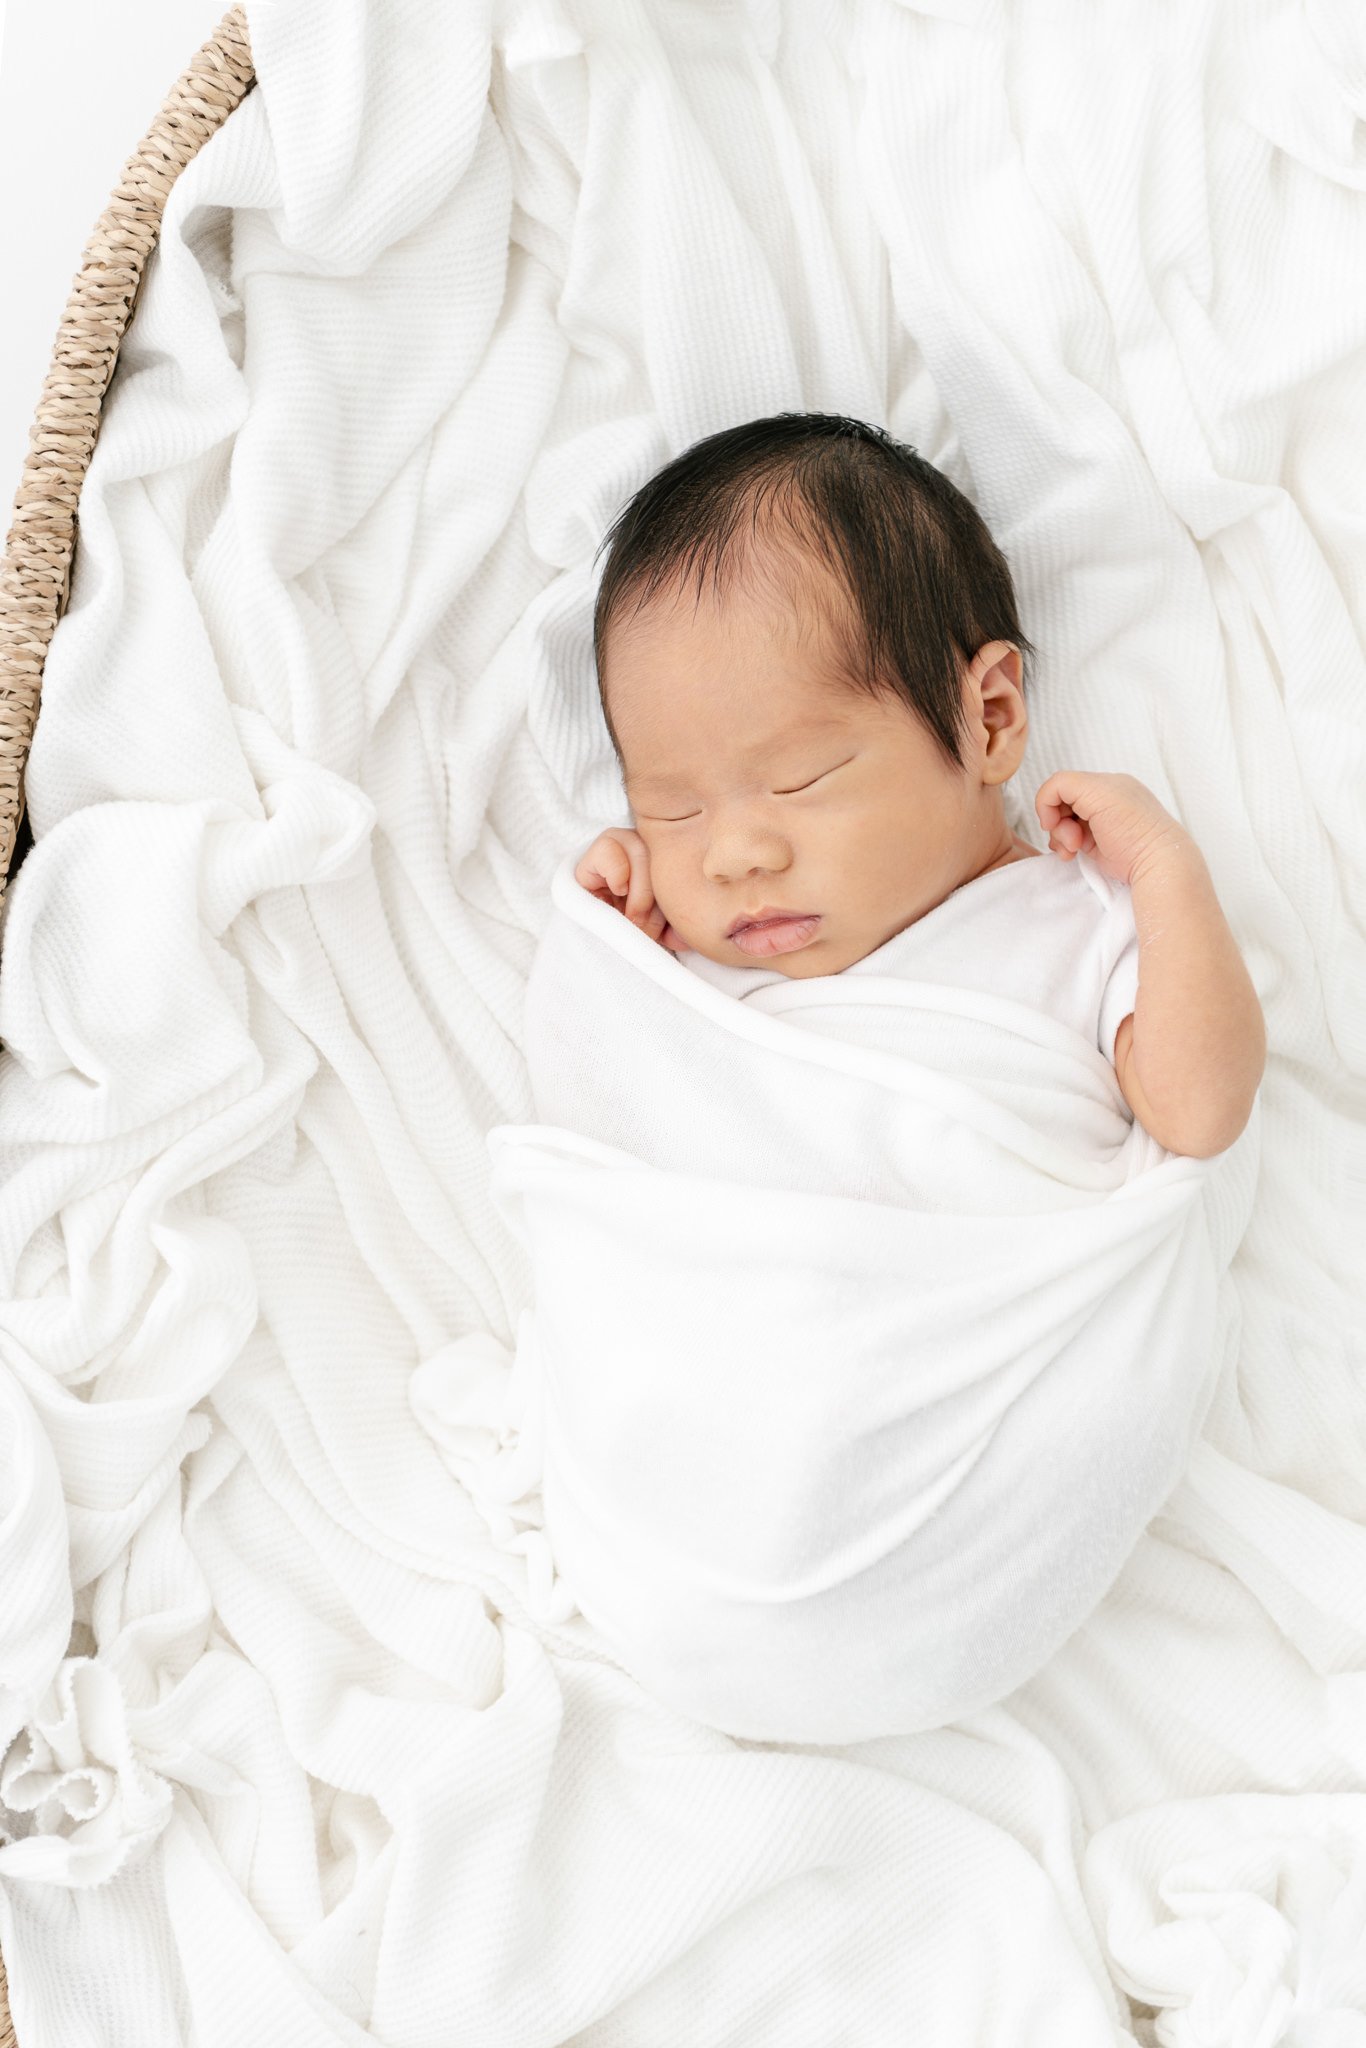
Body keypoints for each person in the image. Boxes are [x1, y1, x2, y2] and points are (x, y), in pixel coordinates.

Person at [575, 412, 1264, 1159]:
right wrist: (621, 950)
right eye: (673, 810)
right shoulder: (698, 960)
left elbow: (1198, 1116)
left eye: (800, 780)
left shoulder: (1079, 931)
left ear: (989, 720)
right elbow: (615, 1120)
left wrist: (1167, 876)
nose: (731, 857)